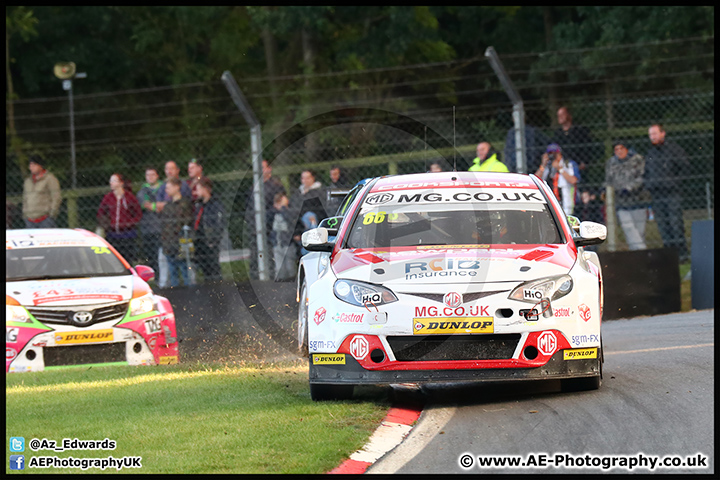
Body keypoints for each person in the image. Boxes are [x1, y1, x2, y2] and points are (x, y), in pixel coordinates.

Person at [645, 124, 690, 261]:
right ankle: (670, 256)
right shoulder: (650, 153)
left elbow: (685, 168)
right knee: (663, 226)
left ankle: (682, 255)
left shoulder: (674, 150)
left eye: (655, 133)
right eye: (650, 134)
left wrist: (675, 182)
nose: (653, 137)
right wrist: (649, 185)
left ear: (663, 133)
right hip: (657, 194)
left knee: (676, 224)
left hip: (672, 193)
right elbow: (646, 173)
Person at [605, 140, 651, 250]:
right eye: (616, 149)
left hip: (638, 200)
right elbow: (608, 180)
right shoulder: (611, 163)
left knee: (639, 231)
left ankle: (637, 257)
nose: (619, 151)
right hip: (621, 202)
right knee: (628, 227)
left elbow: (642, 177)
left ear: (627, 149)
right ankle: (642, 252)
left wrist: (629, 188)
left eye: (621, 148)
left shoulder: (637, 159)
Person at [245, 159, 287, 279]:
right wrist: (252, 222)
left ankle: (273, 278)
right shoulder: (253, 188)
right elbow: (249, 208)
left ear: (269, 169)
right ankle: (255, 279)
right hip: (255, 228)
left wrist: (266, 217)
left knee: (270, 254)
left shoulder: (276, 186)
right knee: (254, 256)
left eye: (263, 167)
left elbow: (279, 206)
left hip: (271, 226)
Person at [155, 160, 193, 287]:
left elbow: (185, 221)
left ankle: (191, 293)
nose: (166, 190)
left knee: (184, 269)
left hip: (180, 242)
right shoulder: (169, 206)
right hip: (169, 243)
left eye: (168, 187)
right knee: (173, 272)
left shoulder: (184, 204)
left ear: (177, 187)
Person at [96, 173, 142, 264]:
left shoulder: (129, 197)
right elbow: (101, 213)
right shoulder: (108, 197)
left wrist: (129, 223)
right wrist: (107, 224)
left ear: (121, 183)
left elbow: (138, 214)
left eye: (114, 180)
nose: (111, 183)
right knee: (114, 260)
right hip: (112, 234)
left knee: (127, 259)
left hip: (127, 234)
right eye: (111, 181)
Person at [193, 177, 225, 282]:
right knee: (204, 268)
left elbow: (219, 224)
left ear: (205, 189)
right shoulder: (199, 204)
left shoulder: (215, 204)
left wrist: (214, 240)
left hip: (210, 241)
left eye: (198, 188)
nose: (196, 191)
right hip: (200, 241)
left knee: (213, 268)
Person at [536, 143, 580, 215]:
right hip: (551, 200)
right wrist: (543, 165)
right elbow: (535, 180)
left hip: (567, 202)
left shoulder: (568, 164)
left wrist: (560, 169)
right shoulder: (547, 167)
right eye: (550, 154)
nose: (553, 156)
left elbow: (574, 180)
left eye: (555, 154)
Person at [290, 169, 327, 256]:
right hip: (301, 226)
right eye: (303, 178)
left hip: (316, 225)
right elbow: (294, 213)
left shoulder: (320, 192)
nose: (305, 181)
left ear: (313, 178)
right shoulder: (297, 195)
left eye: (308, 178)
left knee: (309, 216)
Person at [552, 106, 598, 174]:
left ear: (569, 115)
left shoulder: (580, 130)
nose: (560, 117)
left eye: (562, 114)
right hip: (562, 167)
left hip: (578, 166)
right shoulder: (557, 133)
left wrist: (585, 162)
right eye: (558, 115)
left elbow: (588, 147)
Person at [136, 167, 164, 274]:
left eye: (152, 174)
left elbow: (166, 203)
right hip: (148, 228)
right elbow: (145, 204)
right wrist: (158, 206)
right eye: (148, 175)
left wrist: (153, 205)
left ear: (157, 176)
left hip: (162, 227)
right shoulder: (142, 191)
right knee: (151, 256)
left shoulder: (164, 187)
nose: (150, 177)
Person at [22, 155, 62, 228]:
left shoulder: (50, 179)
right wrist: (25, 213)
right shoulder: (27, 181)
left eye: (34, 165)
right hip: (30, 219)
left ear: (40, 166)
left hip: (45, 219)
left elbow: (56, 197)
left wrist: (52, 214)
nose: (31, 167)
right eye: (30, 165)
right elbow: (25, 198)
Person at [271, 192, 297, 281]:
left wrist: (283, 208)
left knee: (290, 267)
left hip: (288, 243)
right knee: (279, 268)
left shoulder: (289, 212)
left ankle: (291, 280)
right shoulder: (272, 213)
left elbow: (289, 218)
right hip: (277, 243)